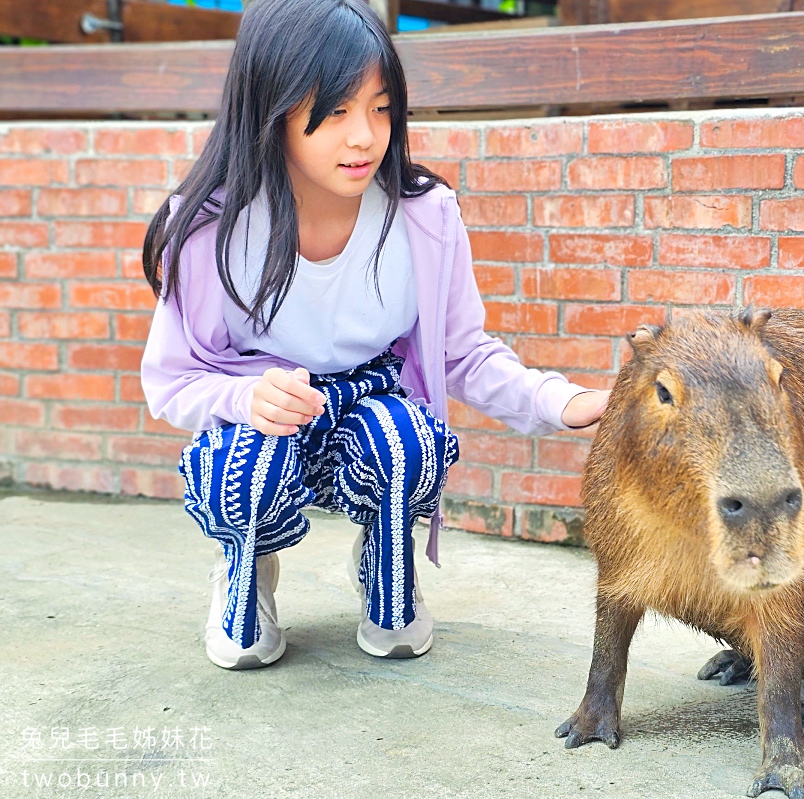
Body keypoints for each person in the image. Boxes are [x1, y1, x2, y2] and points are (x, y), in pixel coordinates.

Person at [139, 0, 608, 671]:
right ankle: (248, 570)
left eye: (381, 108)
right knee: (242, 471)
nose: (364, 136)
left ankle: (386, 561)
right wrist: (245, 401)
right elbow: (172, 380)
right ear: (270, 106)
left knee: (405, 439)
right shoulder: (212, 227)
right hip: (269, 418)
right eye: (334, 111)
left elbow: (461, 352)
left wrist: (558, 401)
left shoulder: (424, 215)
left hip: (369, 408)